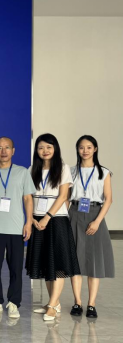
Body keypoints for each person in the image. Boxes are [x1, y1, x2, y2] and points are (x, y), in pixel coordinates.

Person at [25, 133, 80, 321]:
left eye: (49, 147)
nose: (45, 151)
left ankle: (53, 304)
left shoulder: (63, 168)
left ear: (55, 148)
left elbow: (63, 196)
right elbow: (28, 196)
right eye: (41, 147)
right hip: (37, 219)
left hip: (56, 220)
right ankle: (53, 303)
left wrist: (47, 217)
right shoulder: (32, 169)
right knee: (46, 263)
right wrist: (32, 218)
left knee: (57, 264)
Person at [0, 137, 35, 319]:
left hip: (16, 228)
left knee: (16, 268)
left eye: (7, 148)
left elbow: (28, 199)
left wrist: (28, 222)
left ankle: (14, 302)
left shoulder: (22, 172)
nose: (3, 151)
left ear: (13, 151)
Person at [68, 135, 114, 319]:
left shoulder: (104, 172)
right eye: (81, 147)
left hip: (96, 214)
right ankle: (77, 302)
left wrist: (97, 221)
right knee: (75, 260)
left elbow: (108, 199)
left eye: (89, 147)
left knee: (94, 261)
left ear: (95, 149)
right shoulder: (71, 171)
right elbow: (66, 197)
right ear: (77, 150)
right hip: (74, 213)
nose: (85, 151)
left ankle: (91, 304)